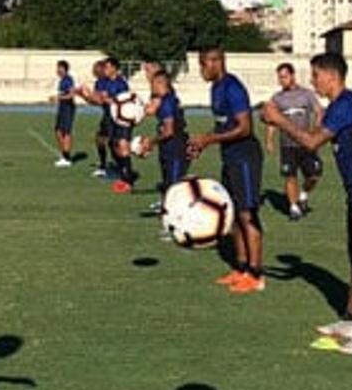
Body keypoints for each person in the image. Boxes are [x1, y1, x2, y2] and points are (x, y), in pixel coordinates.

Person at [261, 53, 352, 356]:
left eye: (316, 75)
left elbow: (310, 142)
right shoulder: (338, 106)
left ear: (332, 77)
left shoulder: (346, 103)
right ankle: (351, 319)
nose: (312, 81)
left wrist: (279, 120)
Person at [189, 47, 265, 293]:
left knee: (247, 214)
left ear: (216, 62)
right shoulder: (216, 88)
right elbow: (222, 125)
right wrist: (204, 143)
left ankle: (256, 274)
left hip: (245, 157)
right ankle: (240, 268)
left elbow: (245, 128)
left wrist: (209, 139)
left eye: (203, 64)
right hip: (230, 157)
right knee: (231, 214)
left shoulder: (234, 87)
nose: (201, 70)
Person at [267, 62, 326, 219]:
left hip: (306, 144)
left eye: (284, 76)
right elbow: (271, 120)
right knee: (290, 176)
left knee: (314, 175)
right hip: (287, 145)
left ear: (292, 76)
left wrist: (315, 130)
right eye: (279, 77)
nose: (281, 80)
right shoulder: (277, 99)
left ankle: (304, 195)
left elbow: (319, 111)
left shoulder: (306, 94)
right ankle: (294, 208)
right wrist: (270, 140)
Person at [137, 68, 190, 218]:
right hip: (168, 148)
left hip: (175, 148)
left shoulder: (167, 103)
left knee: (174, 187)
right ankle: (167, 214)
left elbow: (169, 131)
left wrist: (151, 142)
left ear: (160, 84)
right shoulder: (168, 98)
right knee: (167, 184)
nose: (151, 88)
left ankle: (175, 219)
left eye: (153, 84)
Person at [78, 57, 136, 192]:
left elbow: (124, 102)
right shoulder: (101, 82)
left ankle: (125, 173)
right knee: (104, 141)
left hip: (120, 119)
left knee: (119, 145)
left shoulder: (122, 84)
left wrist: (108, 99)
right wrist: (85, 95)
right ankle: (114, 169)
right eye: (104, 67)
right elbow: (96, 101)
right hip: (107, 117)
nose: (105, 69)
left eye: (108, 67)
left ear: (115, 68)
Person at [49, 60, 76, 167]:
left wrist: (58, 97)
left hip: (68, 108)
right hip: (62, 108)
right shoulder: (62, 80)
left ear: (65, 69)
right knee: (58, 131)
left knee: (66, 132)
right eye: (57, 68)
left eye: (60, 68)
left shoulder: (68, 80)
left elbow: (71, 95)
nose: (58, 70)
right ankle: (64, 154)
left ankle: (67, 157)